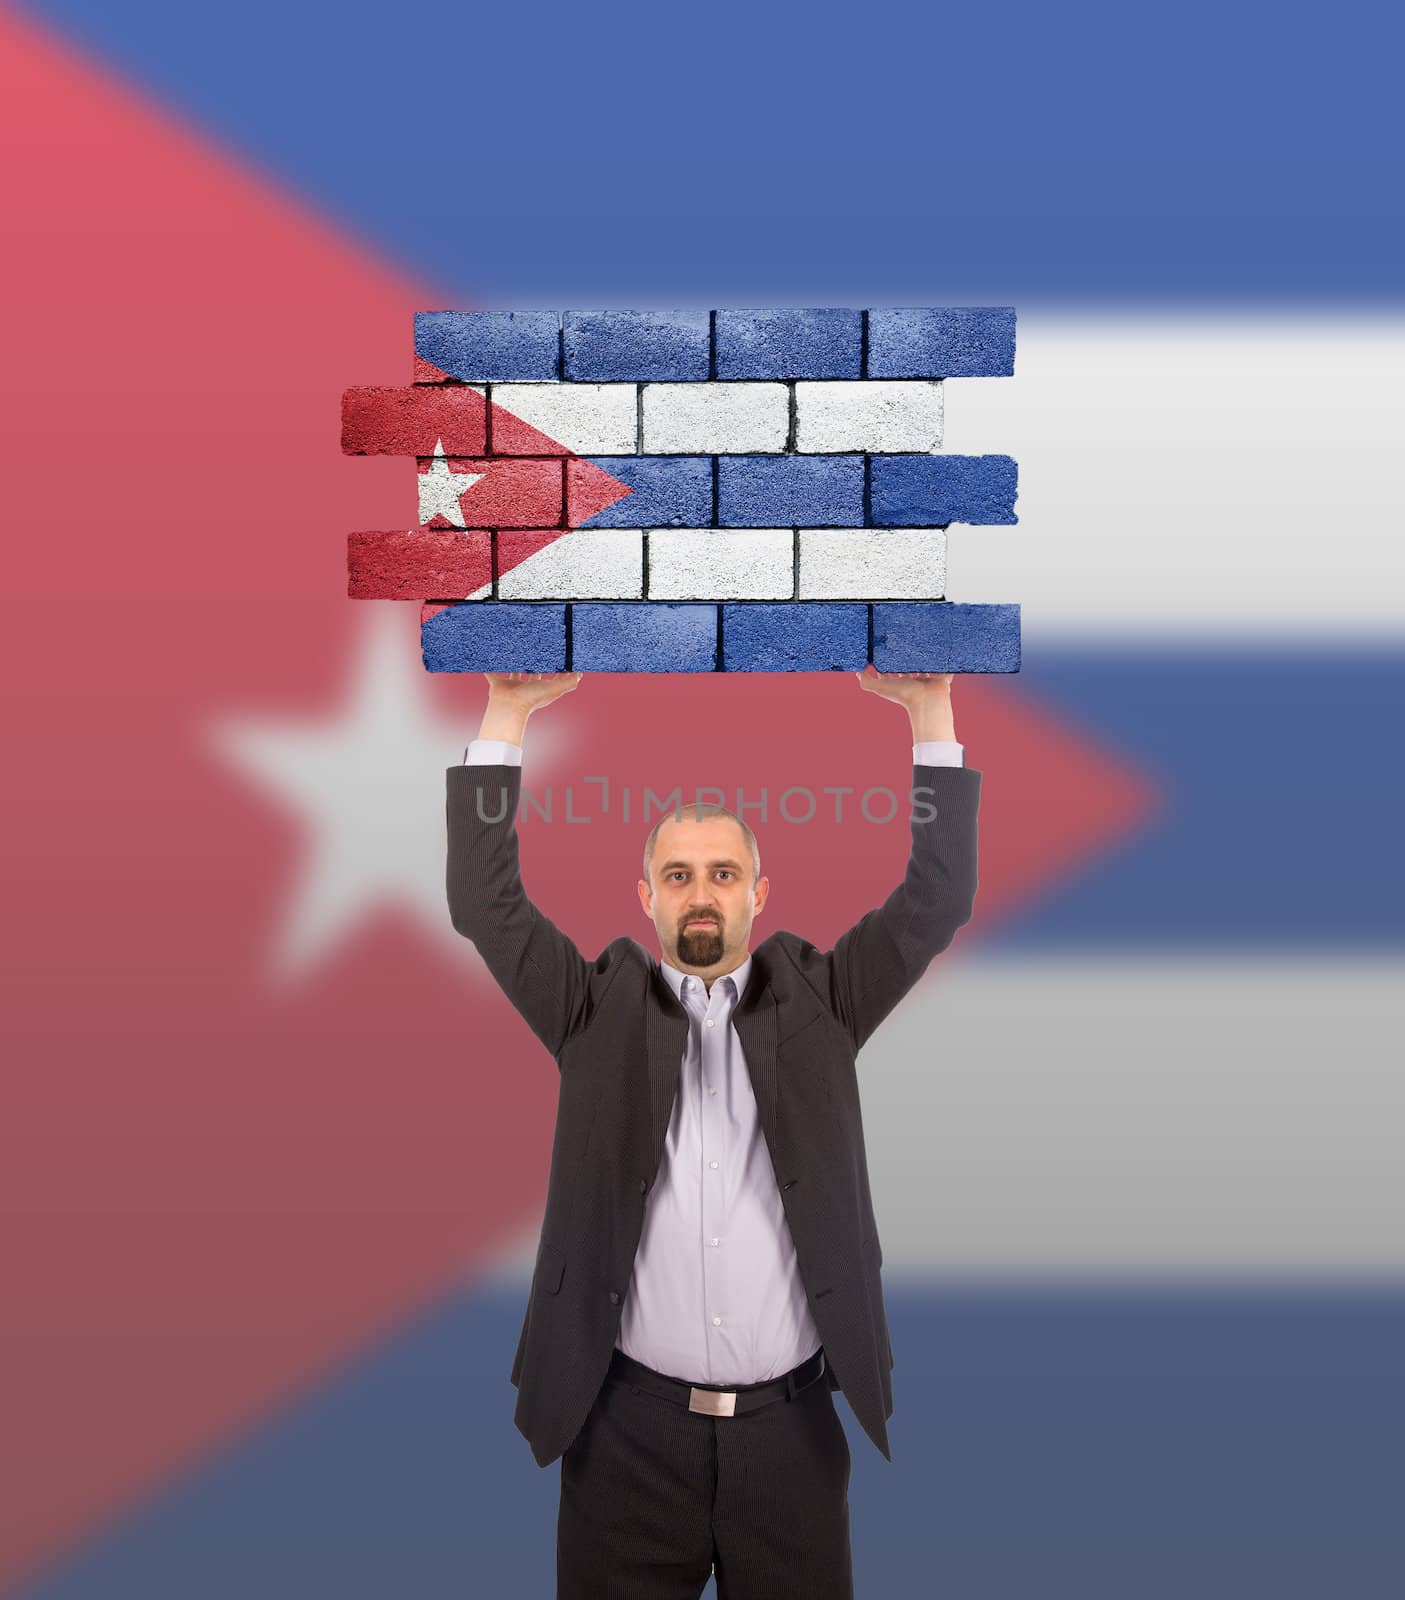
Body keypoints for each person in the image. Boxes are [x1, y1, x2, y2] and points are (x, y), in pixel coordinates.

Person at [447, 666, 982, 1598]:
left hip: (793, 1441)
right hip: (622, 1437)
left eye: (723, 875)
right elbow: (485, 907)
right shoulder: (590, 1008)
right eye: (679, 875)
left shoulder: (825, 997)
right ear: (645, 896)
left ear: (758, 895)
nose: (702, 894)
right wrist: (507, 711)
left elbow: (933, 903)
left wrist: (928, 710)